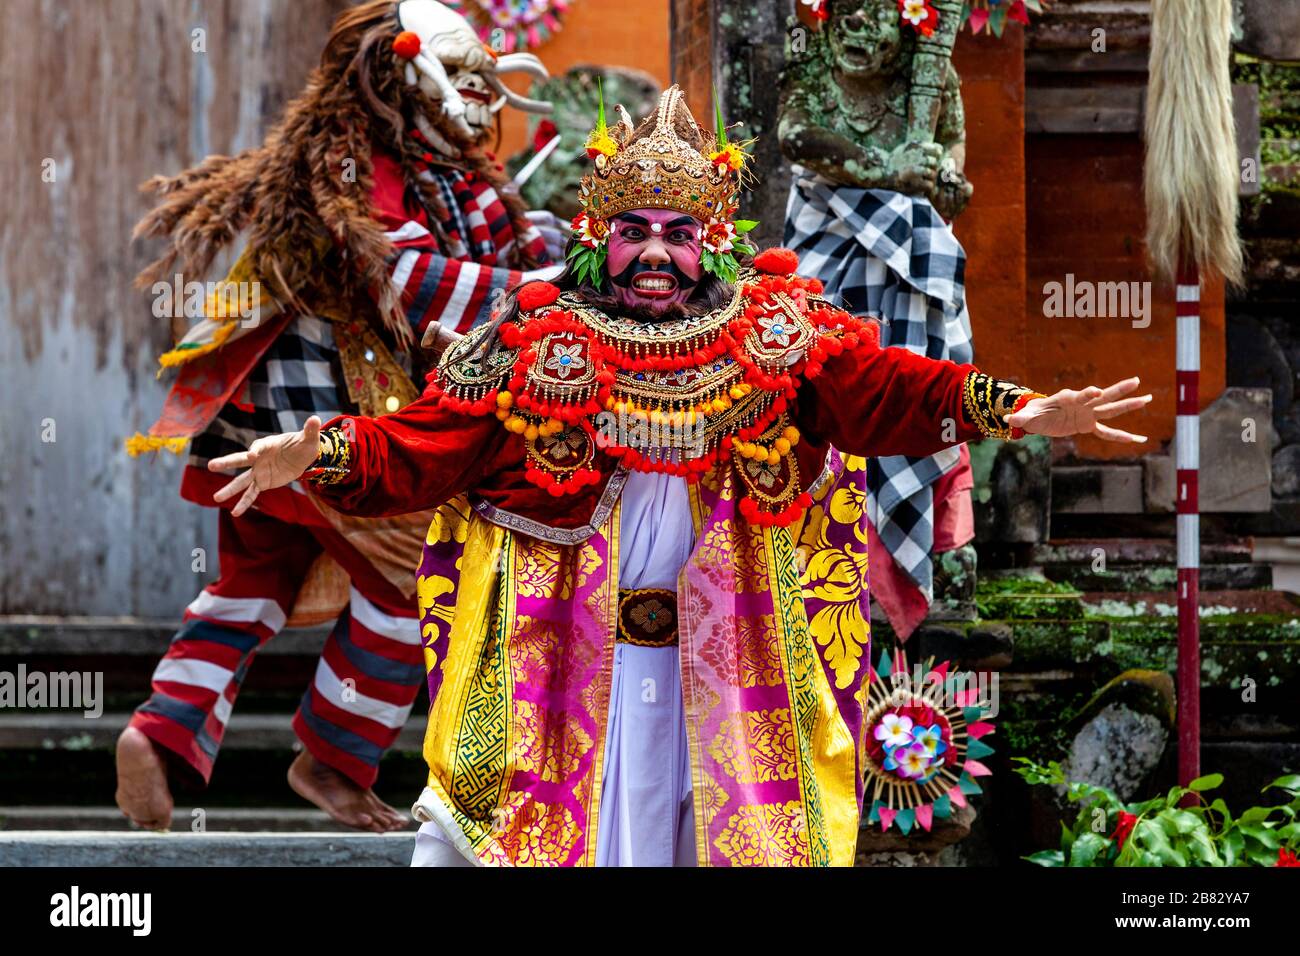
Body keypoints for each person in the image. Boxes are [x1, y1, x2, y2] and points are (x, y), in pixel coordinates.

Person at [207, 85, 1149, 865]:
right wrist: (317, 450)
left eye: (677, 230)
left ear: (712, 240)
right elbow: (421, 448)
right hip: (564, 673)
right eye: (632, 230)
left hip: (730, 674)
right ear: (593, 234)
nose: (655, 252)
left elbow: (882, 391)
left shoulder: (778, 335)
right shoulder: (534, 345)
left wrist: (1009, 407)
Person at [117, 0, 562, 833]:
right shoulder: (361, 166)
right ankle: (332, 757)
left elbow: (496, 251)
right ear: (405, 74)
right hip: (318, 415)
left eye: (482, 79)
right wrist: (543, 291)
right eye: (459, 77)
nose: (477, 98)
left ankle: (159, 731)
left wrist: (553, 247)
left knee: (253, 584)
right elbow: (408, 274)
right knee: (416, 572)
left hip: (256, 414)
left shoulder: (422, 163)